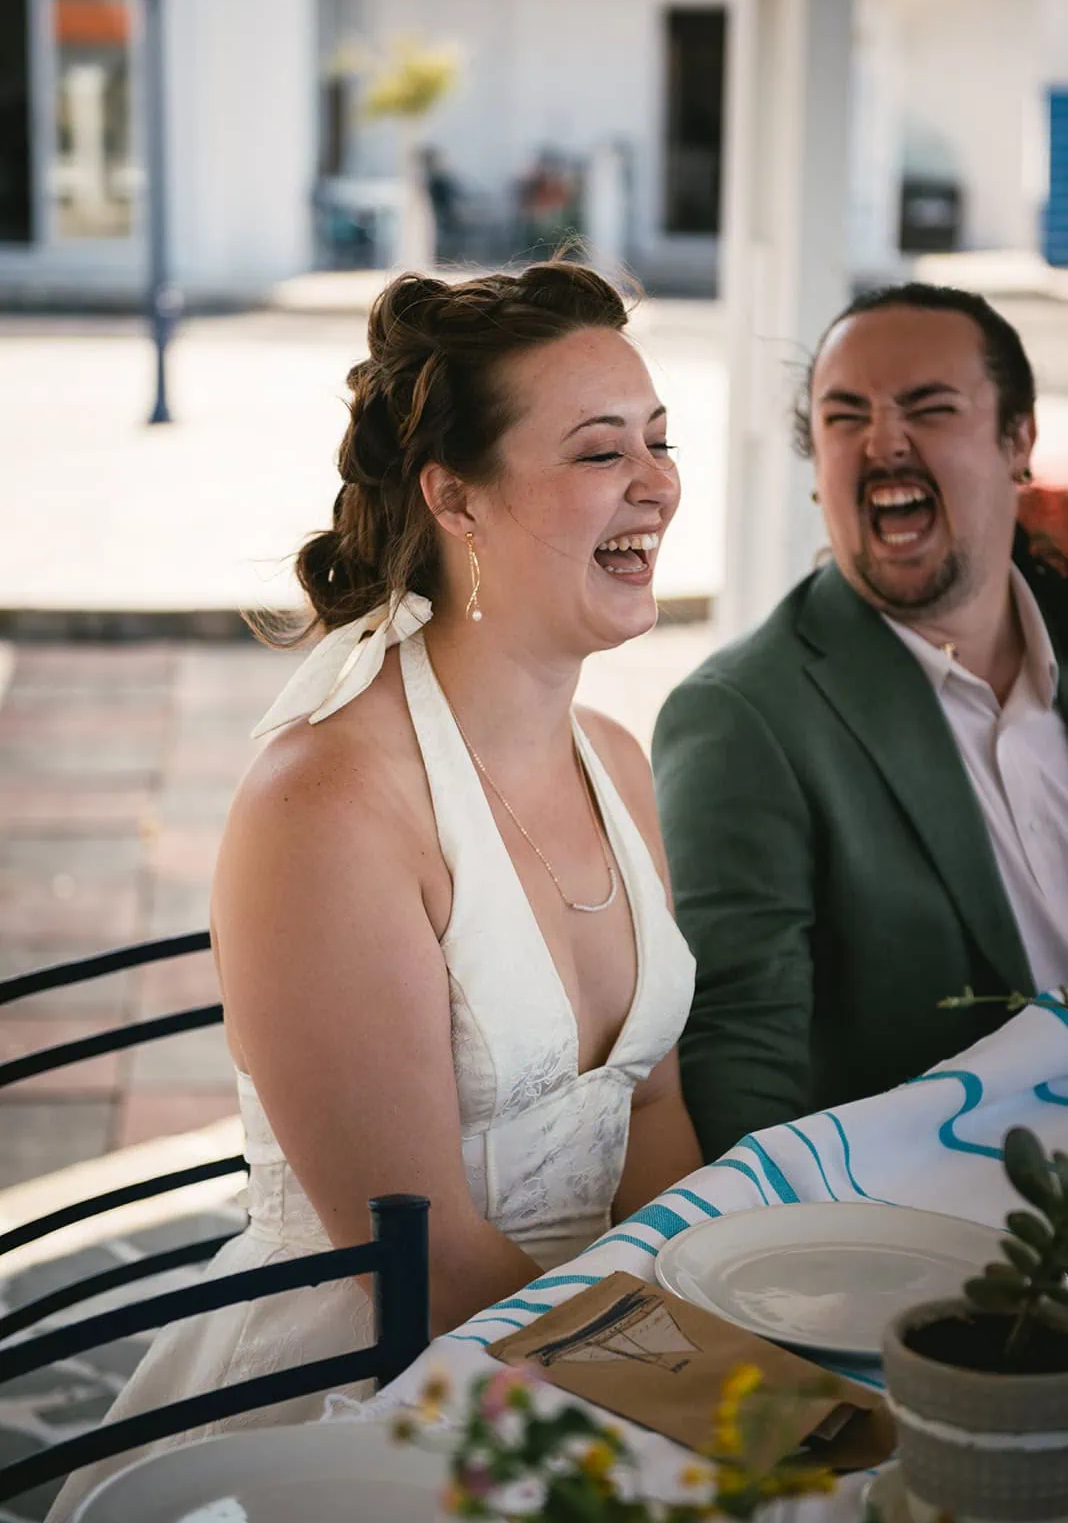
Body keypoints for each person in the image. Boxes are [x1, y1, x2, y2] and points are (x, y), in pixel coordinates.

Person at [50, 263, 700, 1519]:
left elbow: (655, 1100)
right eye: (599, 449)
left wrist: (715, 1326)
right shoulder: (329, 808)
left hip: (596, 1352)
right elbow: (432, 1260)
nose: (658, 482)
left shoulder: (618, 761)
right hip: (355, 1400)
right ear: (455, 494)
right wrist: (688, 1395)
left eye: (661, 441)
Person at [653, 283, 1068, 1165]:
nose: (883, 442)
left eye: (929, 408)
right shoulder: (744, 720)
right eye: (845, 418)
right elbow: (741, 1076)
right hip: (961, 1236)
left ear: (1018, 440)